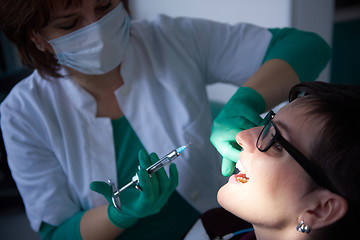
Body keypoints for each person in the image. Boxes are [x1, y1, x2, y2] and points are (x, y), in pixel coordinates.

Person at [0, 0, 331, 239]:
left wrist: (247, 98)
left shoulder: (171, 39)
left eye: (104, 6)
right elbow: (56, 233)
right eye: (70, 24)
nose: (96, 29)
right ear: (36, 37)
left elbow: (308, 46)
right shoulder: (23, 113)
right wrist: (119, 215)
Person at [186, 81, 360, 240]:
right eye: (269, 124)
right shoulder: (214, 227)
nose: (242, 136)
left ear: (320, 209)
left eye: (276, 144)